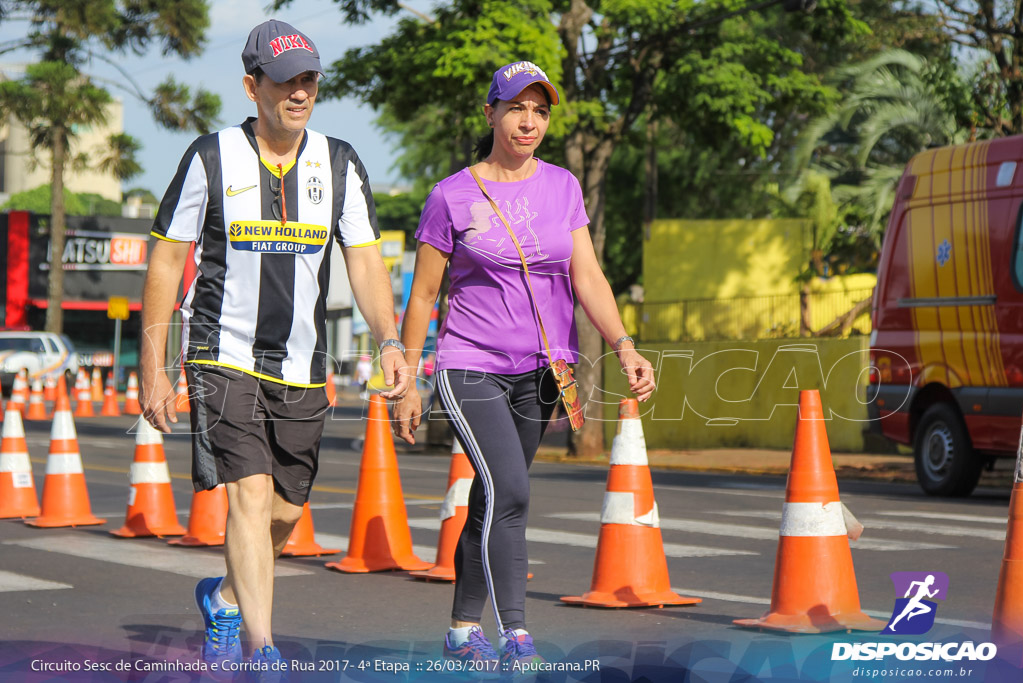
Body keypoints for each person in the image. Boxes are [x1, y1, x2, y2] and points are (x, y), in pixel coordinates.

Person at [139, 19, 410, 678]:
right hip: (220, 354)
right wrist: (154, 366)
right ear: (251, 85)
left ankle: (226, 597)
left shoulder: (339, 161)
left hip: (302, 364)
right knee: (250, 497)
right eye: (286, 79)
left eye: (309, 79)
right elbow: (165, 262)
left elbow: (369, 264)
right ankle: (263, 649)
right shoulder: (210, 157)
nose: (299, 91)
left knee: (287, 508)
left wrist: (391, 338)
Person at [391, 60, 656, 672]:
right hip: (469, 364)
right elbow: (425, 296)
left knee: (492, 498)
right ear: (490, 114)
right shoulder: (451, 195)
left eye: (539, 110)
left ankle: (461, 630)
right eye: (516, 108)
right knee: (511, 489)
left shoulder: (563, 186)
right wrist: (406, 379)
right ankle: (516, 634)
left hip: (541, 369)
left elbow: (585, 274)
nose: (528, 121)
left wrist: (624, 345)